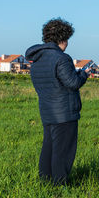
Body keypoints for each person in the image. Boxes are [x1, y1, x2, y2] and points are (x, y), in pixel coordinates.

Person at [25, 18, 89, 185]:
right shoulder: (62, 58)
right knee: (63, 152)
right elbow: (73, 83)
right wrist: (84, 74)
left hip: (47, 111)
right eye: (67, 39)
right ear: (62, 38)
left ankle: (45, 182)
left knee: (49, 148)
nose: (67, 43)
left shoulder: (37, 60)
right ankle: (60, 185)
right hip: (65, 113)